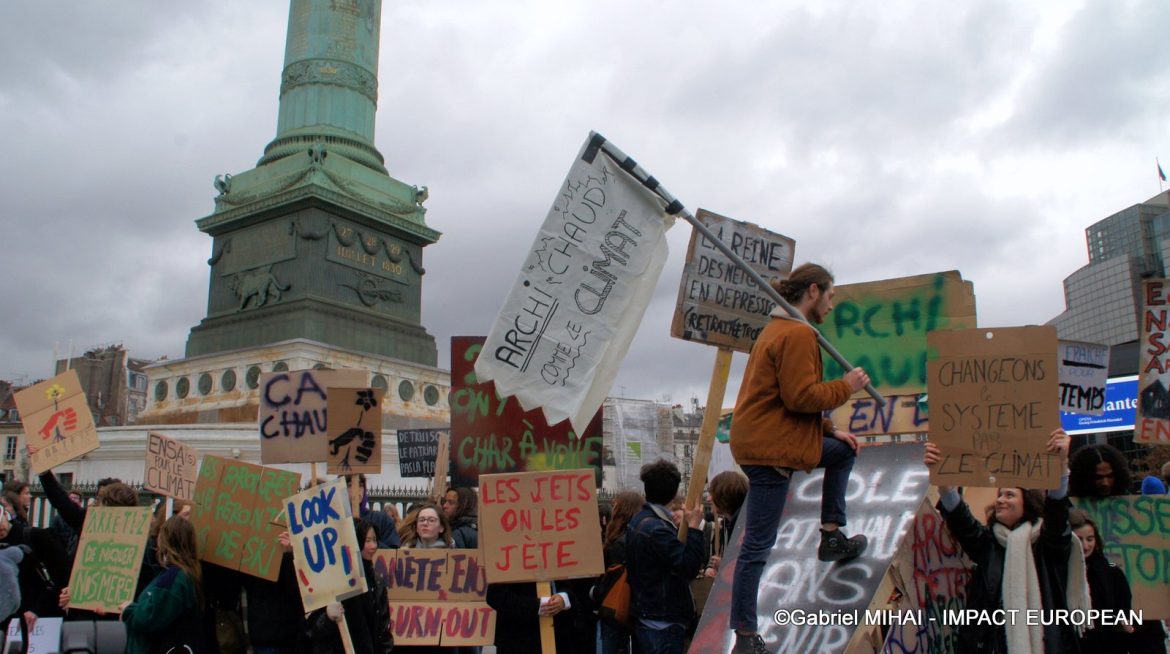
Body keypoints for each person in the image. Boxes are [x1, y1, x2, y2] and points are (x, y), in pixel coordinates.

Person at [726, 263, 870, 654]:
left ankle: (832, 534)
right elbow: (801, 397)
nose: (832, 304)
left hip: (770, 439)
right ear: (813, 290)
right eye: (830, 296)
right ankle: (745, 635)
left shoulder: (777, 330)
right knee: (757, 546)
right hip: (773, 449)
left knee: (841, 452)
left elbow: (779, 401)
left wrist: (829, 431)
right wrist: (847, 387)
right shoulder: (797, 334)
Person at [923, 429, 1089, 654]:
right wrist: (943, 480)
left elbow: (1057, 511)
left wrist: (1060, 466)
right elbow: (960, 519)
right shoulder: (989, 544)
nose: (1000, 500)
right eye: (999, 495)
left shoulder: (1047, 543)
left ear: (1027, 503)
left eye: (1009, 495)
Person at [625, 460, 705, 654]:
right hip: (661, 622)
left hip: (648, 616)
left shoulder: (640, 520)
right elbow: (688, 567)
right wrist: (694, 529)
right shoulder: (656, 529)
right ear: (673, 492)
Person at [121, 515, 210, 653]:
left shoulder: (174, 578)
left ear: (166, 539)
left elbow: (151, 616)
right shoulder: (186, 573)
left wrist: (129, 610)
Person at [307, 519, 393, 654]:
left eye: (374, 540)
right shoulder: (331, 581)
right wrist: (328, 617)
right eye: (367, 540)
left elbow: (382, 629)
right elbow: (312, 630)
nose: (373, 546)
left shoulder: (376, 582)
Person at [1069, 509, 1135, 653]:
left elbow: (1124, 609)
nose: (1085, 546)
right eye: (1078, 539)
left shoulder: (1112, 573)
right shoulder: (1058, 573)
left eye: (1090, 539)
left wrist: (1122, 622)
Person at [594, 490, 643, 654]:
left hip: (614, 605)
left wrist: (595, 591)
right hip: (633, 607)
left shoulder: (619, 541)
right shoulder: (638, 536)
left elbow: (612, 578)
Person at [705, 470, 748, 578]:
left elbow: (746, 570)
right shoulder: (734, 524)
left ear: (724, 494)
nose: (708, 499)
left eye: (712, 494)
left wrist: (725, 566)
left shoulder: (744, 527)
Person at [344, 474, 400, 548]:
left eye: (360, 485)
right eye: (350, 485)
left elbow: (393, 552)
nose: (356, 489)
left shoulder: (382, 520)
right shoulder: (333, 522)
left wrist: (369, 542)